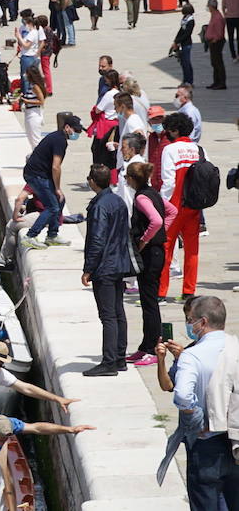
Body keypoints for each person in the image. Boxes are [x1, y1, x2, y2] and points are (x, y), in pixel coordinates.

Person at [168, 296, 239, 508]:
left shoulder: (192, 355)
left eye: (190, 320)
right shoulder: (236, 346)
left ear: (203, 322)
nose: (189, 325)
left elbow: (182, 395)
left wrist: (194, 419)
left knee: (205, 500)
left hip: (207, 442)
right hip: (235, 438)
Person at [81, 163, 135, 376]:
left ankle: (110, 361)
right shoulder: (118, 201)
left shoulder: (100, 206)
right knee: (118, 312)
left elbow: (97, 239)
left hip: (105, 266)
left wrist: (88, 268)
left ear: (92, 181)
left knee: (108, 316)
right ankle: (120, 358)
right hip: (119, 264)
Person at [125, 161, 170, 367]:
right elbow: (172, 211)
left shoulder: (142, 197)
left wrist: (145, 240)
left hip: (150, 255)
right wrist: (161, 235)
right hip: (157, 252)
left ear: (133, 179)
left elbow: (157, 221)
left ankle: (153, 348)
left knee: (150, 303)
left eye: (127, 178)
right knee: (146, 301)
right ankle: (145, 345)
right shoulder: (153, 193)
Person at [22, 113, 84, 249]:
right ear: (67, 127)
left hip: (40, 174)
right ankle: (30, 236)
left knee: (60, 200)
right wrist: (57, 188)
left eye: (79, 131)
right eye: (76, 130)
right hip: (35, 175)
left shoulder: (58, 137)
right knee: (52, 207)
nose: (77, 134)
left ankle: (52, 235)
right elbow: (56, 167)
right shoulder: (60, 141)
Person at [159, 112, 201, 301]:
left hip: (174, 207)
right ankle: (189, 291)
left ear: (174, 131)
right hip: (194, 206)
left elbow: (168, 183)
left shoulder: (170, 150)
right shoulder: (199, 149)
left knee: (165, 249)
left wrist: (162, 205)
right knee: (192, 250)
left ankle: (161, 292)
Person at [201, 0, 227, 89]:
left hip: (216, 43)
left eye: (208, 6)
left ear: (211, 7)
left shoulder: (218, 17)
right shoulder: (214, 15)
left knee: (218, 63)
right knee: (214, 63)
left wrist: (214, 40)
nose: (208, 7)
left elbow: (219, 33)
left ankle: (221, 82)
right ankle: (216, 81)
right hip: (213, 42)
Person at [171, 3, 197, 86]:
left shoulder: (191, 20)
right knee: (183, 63)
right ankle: (185, 79)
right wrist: (175, 40)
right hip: (181, 43)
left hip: (187, 44)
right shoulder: (185, 18)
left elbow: (187, 33)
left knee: (187, 62)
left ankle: (189, 81)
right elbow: (181, 30)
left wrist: (178, 41)